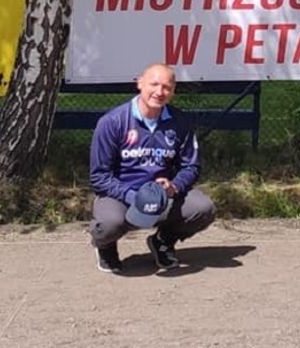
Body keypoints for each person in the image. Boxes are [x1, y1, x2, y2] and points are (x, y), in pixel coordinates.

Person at [88, 63, 215, 273]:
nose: (159, 92)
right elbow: (99, 177)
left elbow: (191, 166)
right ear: (139, 83)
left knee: (204, 208)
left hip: (163, 197)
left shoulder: (181, 122)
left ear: (173, 91)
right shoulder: (112, 122)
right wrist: (133, 197)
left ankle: (163, 241)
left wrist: (173, 186)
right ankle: (106, 246)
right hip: (120, 196)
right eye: (153, 84)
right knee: (109, 224)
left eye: (166, 87)